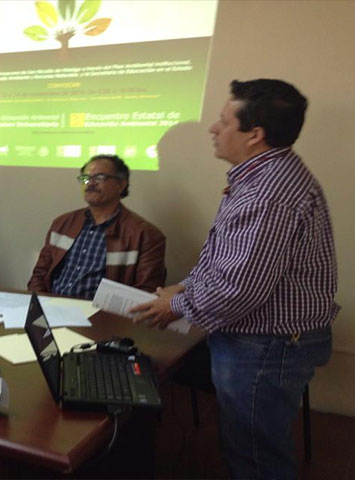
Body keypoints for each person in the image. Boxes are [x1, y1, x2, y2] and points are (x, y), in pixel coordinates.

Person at [131, 79, 339, 478]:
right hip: (265, 342)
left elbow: (239, 288)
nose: (213, 128)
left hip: (266, 346)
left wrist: (174, 304)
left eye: (224, 121)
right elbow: (227, 257)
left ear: (255, 134)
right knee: (250, 447)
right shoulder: (264, 176)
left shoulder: (268, 193)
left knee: (256, 457)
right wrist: (186, 286)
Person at [28, 154, 166, 299]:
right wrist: (40, 304)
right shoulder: (62, 223)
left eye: (100, 177)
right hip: (51, 306)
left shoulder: (146, 235)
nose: (90, 183)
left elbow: (145, 292)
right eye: (86, 178)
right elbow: (39, 275)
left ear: (121, 185)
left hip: (102, 311)